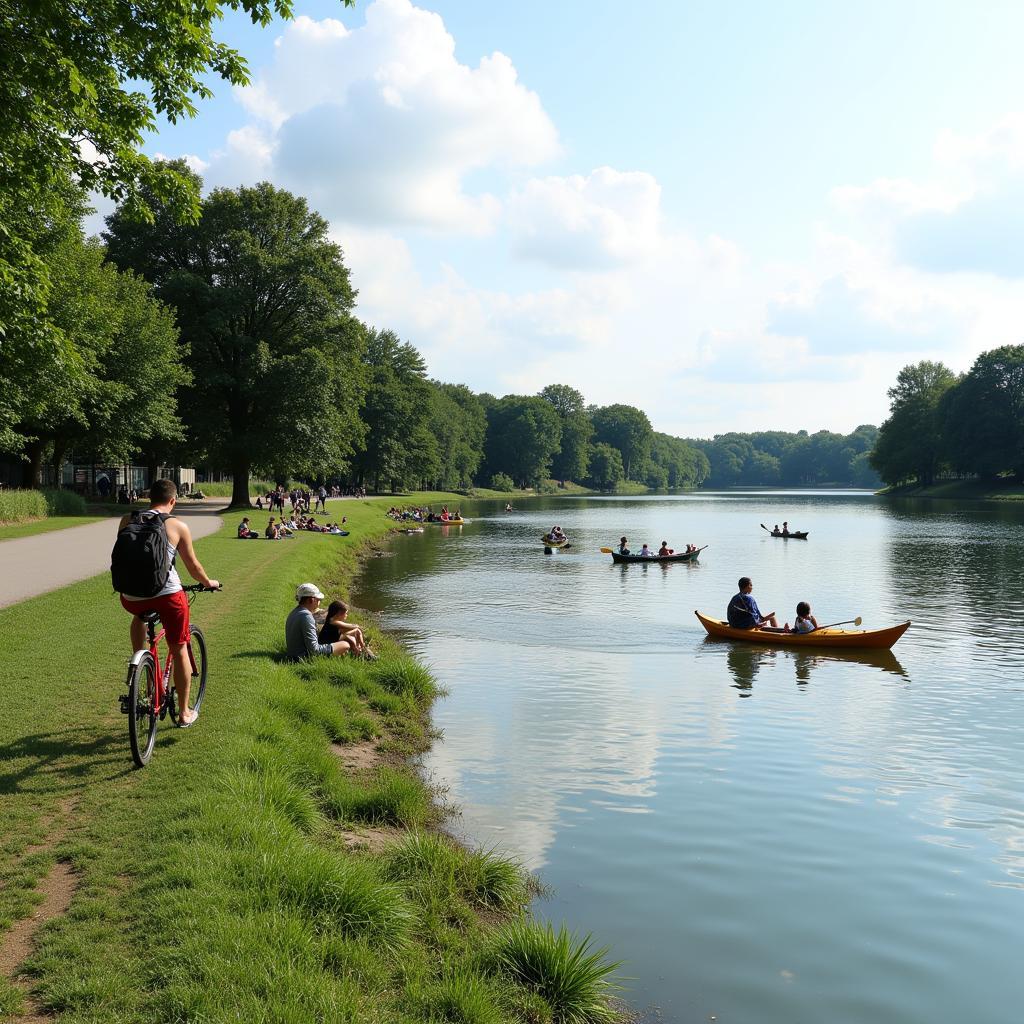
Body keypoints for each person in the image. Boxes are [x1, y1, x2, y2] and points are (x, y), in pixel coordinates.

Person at [116, 479, 220, 728]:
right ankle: (184, 712)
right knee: (179, 647)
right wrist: (208, 582)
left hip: (130, 596)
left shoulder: (128, 519)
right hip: (168, 596)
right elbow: (193, 567)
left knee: (139, 615)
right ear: (172, 501)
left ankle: (140, 659)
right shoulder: (178, 525)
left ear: (149, 498)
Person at [286, 583, 357, 660]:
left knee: (339, 642)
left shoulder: (295, 612)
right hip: (302, 658)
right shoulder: (306, 616)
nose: (319, 601)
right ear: (311, 600)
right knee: (345, 644)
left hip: (294, 654)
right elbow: (314, 650)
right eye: (318, 599)